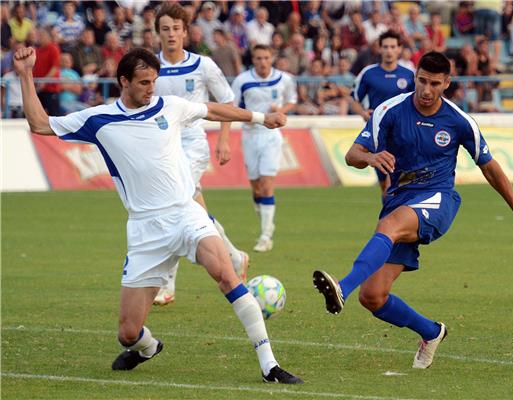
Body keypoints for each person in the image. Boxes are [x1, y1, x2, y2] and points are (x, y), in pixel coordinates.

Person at [13, 45, 303, 384]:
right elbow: (39, 124)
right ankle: (148, 348)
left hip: (186, 214)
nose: (152, 89)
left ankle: (269, 365)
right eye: (144, 83)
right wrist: (25, 74)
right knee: (127, 332)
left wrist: (260, 118)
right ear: (123, 81)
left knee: (226, 273)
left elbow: (211, 109)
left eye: (154, 81)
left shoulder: (170, 106)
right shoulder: (98, 119)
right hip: (145, 231)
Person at [313, 51, 513, 370]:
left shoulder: (459, 121)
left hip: (438, 199)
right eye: (422, 81)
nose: (426, 90)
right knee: (374, 296)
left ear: (447, 83)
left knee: (388, 227)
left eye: (435, 83)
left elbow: (489, 168)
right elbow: (353, 154)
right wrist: (370, 158)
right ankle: (432, 332)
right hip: (401, 198)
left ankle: (342, 288)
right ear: (414, 76)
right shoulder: (389, 110)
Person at [153, 3, 249, 306]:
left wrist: (224, 139)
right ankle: (234, 257)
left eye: (176, 29)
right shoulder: (151, 67)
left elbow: (227, 100)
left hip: (193, 145)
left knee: (174, 206)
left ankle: (166, 283)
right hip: (162, 148)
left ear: (185, 32)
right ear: (158, 33)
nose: (171, 34)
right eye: (165, 29)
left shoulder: (202, 65)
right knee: (195, 212)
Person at [231, 45, 297, 252]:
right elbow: (233, 107)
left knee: (267, 184)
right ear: (253, 59)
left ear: (272, 58)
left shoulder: (284, 79)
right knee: (256, 187)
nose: (262, 62)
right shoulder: (242, 80)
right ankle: (266, 222)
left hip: (271, 136)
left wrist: (281, 111)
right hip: (250, 135)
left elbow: (292, 100)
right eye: (258, 58)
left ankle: (265, 235)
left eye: (266, 57)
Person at [351, 30, 415, 199]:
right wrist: (363, 113)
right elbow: (354, 99)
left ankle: (394, 223)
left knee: (393, 186)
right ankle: (390, 221)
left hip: (403, 135)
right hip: (379, 136)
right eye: (385, 47)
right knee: (385, 189)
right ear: (379, 49)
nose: (389, 50)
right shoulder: (368, 73)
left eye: (393, 47)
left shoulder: (409, 75)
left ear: (399, 49)